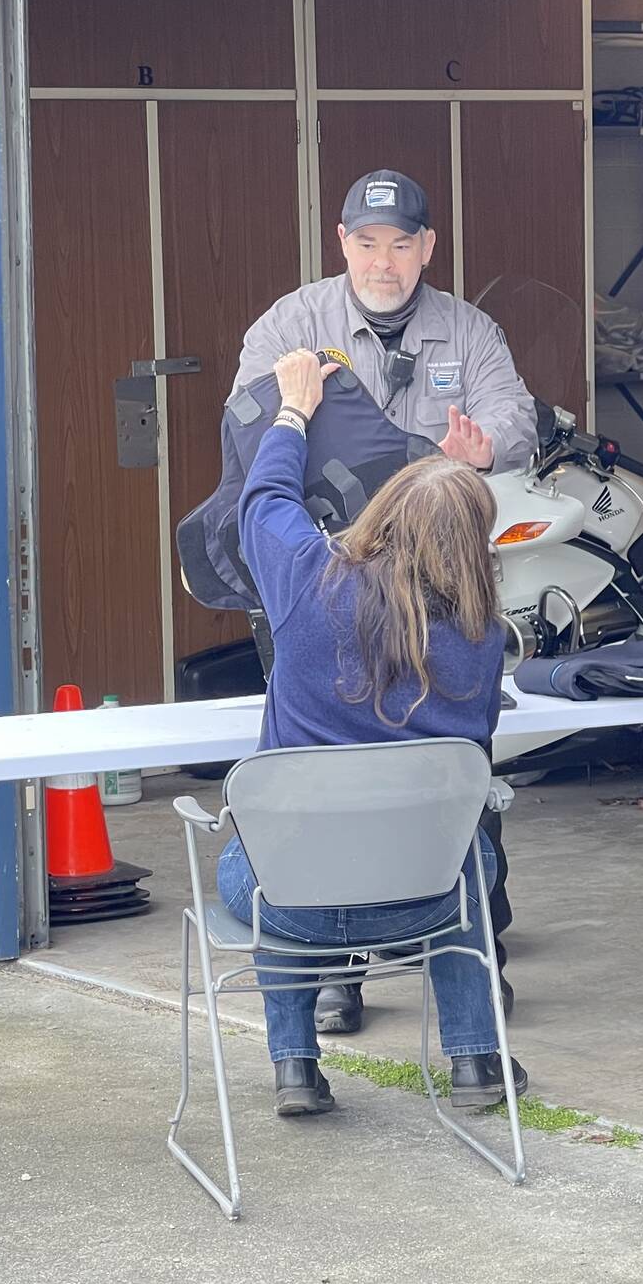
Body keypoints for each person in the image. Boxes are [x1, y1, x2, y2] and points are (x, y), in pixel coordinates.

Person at [230, 167, 537, 1036]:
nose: (384, 261)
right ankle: (333, 970)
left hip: (440, 587)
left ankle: (479, 958)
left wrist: (485, 445)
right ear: (342, 243)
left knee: (453, 770)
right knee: (321, 761)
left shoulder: (469, 329)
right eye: (367, 243)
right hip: (321, 583)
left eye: (402, 243)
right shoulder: (294, 323)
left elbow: (516, 420)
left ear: (428, 248)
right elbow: (252, 421)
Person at [215, 348, 527, 1117]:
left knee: (269, 853)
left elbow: (263, 502)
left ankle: (295, 1068)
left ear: (381, 513)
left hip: (292, 900)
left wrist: (292, 413)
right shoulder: (483, 640)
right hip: (422, 900)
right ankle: (477, 1063)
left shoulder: (304, 584)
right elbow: (472, 756)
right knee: (462, 854)